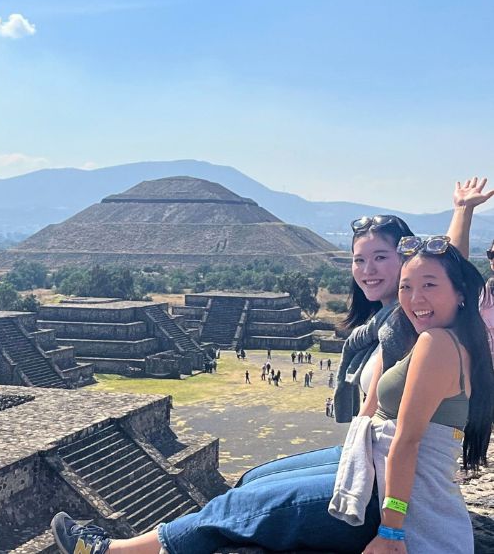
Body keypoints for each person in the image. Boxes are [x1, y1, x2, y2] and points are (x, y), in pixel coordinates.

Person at [51, 234, 494, 554]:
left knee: (242, 504)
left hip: (392, 504)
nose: (415, 298)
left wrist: (394, 532)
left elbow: (408, 442)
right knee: (256, 480)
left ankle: (115, 552)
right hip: (381, 475)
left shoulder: (439, 344)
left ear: (460, 294)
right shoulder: (449, 335)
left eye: (429, 286)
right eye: (407, 287)